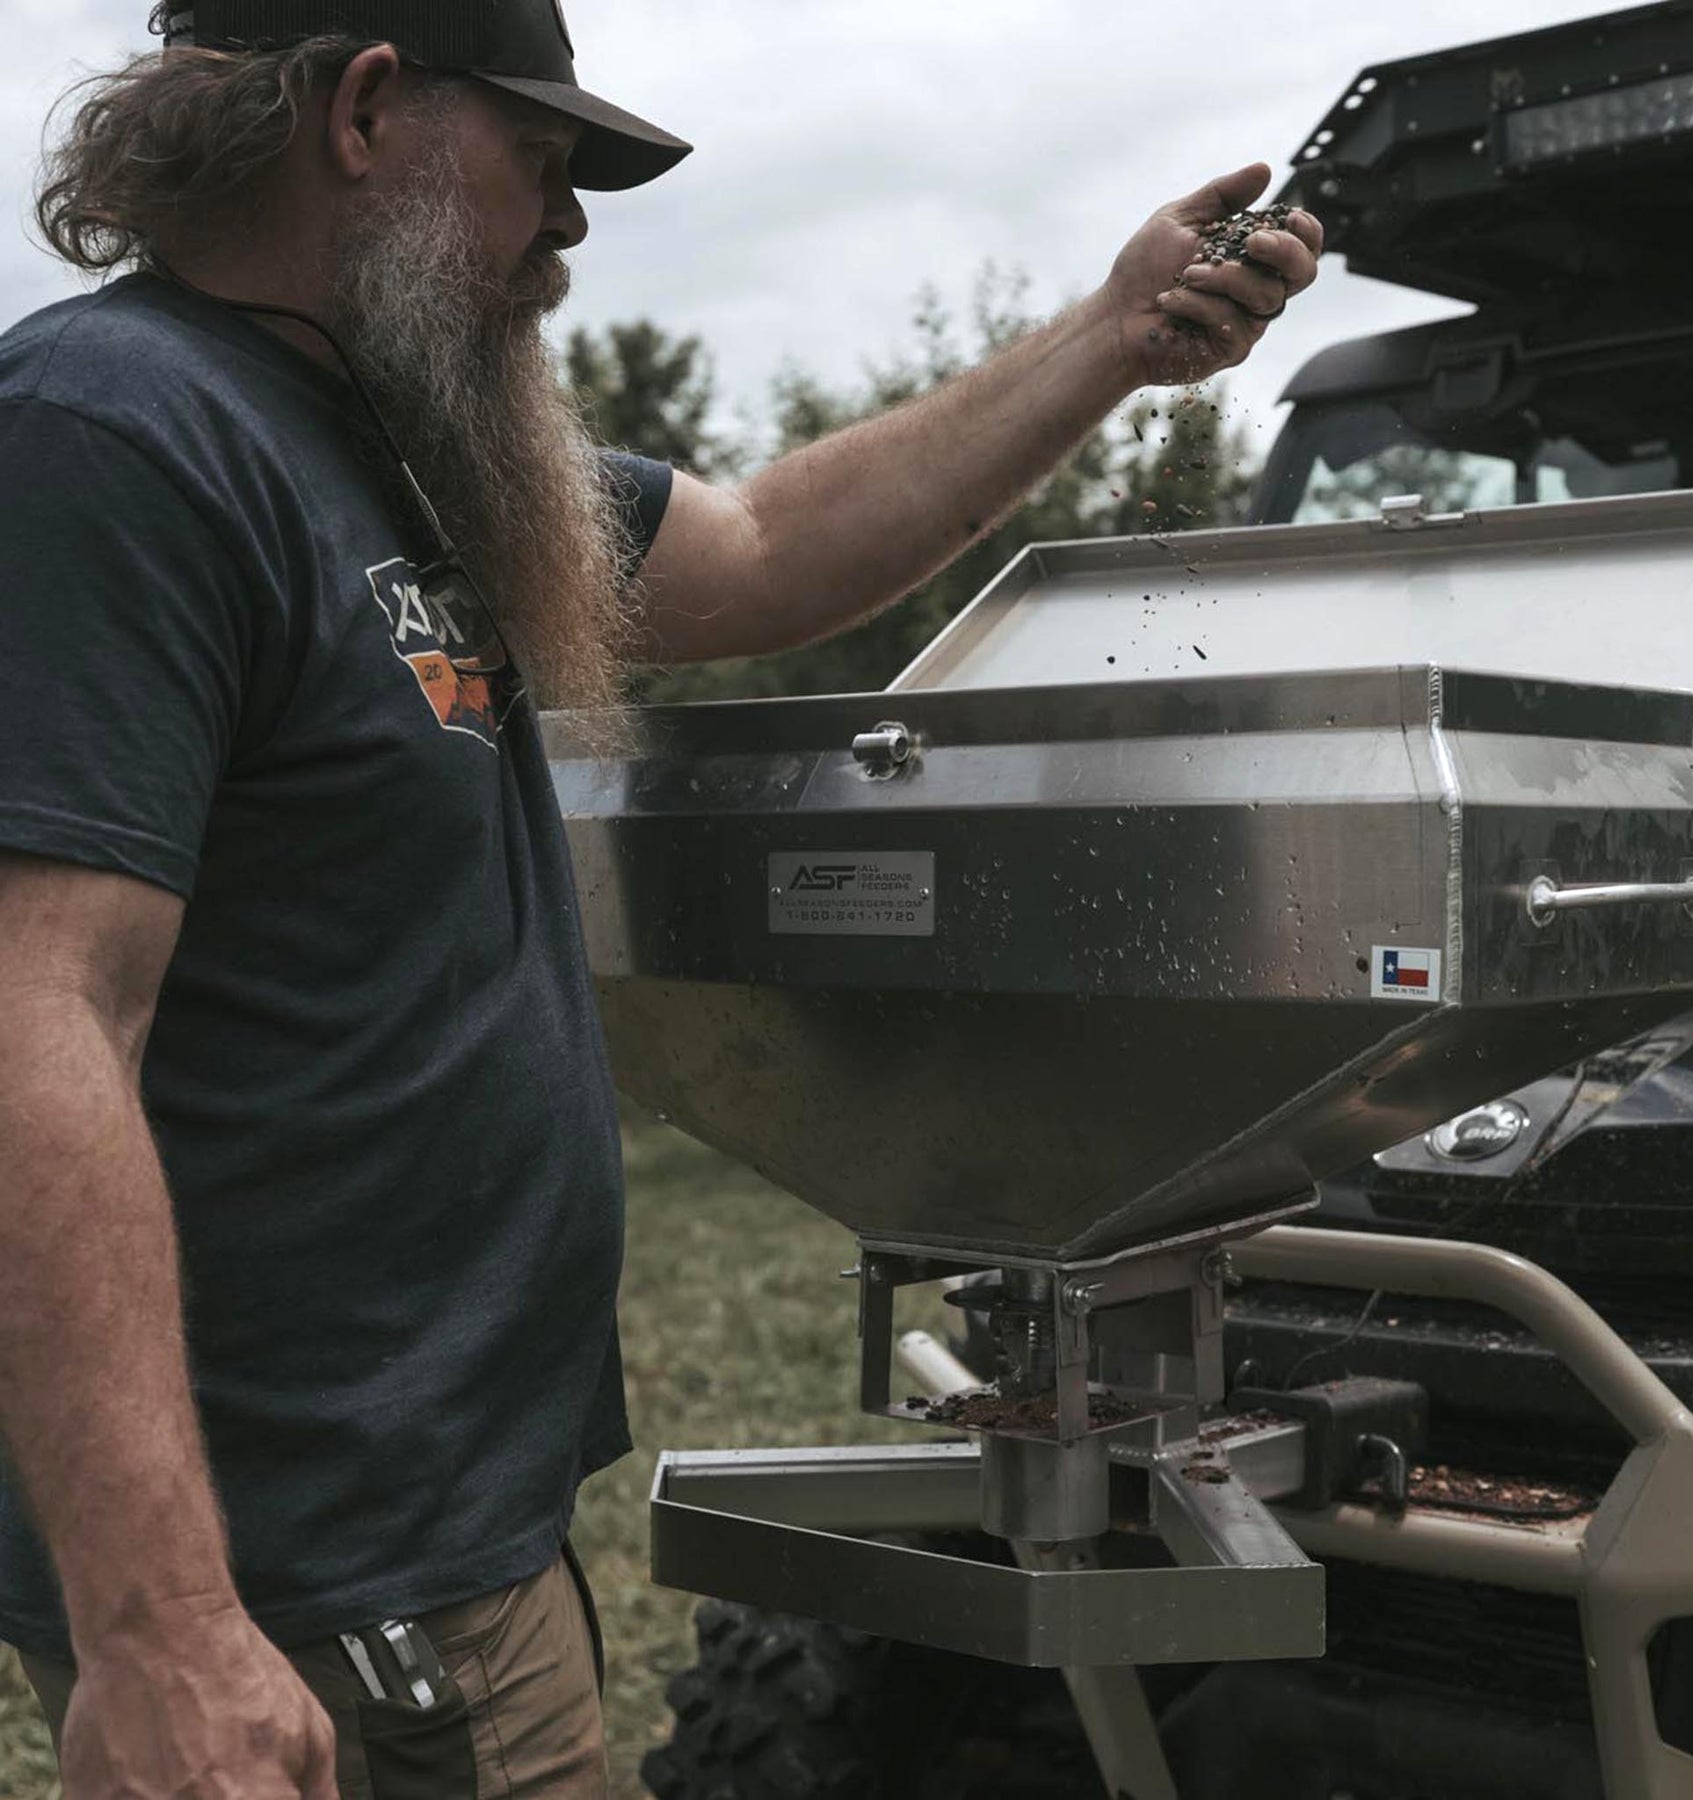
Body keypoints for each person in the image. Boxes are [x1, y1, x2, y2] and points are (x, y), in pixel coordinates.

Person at [0, 1, 1322, 1794]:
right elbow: (35, 1020)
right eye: (540, 163)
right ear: (369, 111)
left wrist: (1112, 336)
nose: (571, 227)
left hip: (448, 1539)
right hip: (304, 1593)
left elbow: (774, 546)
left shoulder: (409, 449)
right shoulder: (116, 433)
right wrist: (160, 1627)